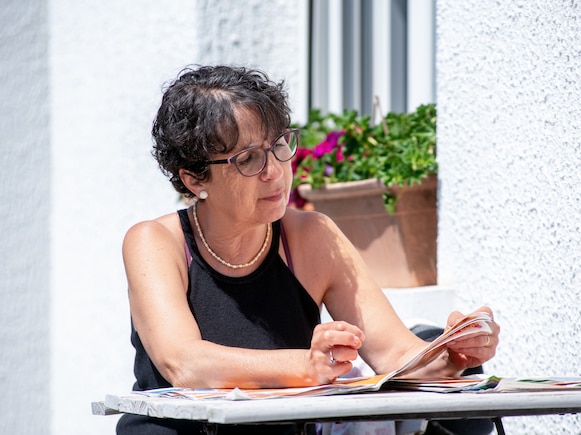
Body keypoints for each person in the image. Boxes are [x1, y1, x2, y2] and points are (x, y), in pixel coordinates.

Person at [117, 64, 500, 435]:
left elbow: (395, 356)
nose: (275, 171)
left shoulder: (311, 236)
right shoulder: (155, 242)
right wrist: (308, 365)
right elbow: (185, 364)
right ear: (193, 177)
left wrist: (455, 354)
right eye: (248, 159)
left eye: (280, 145)